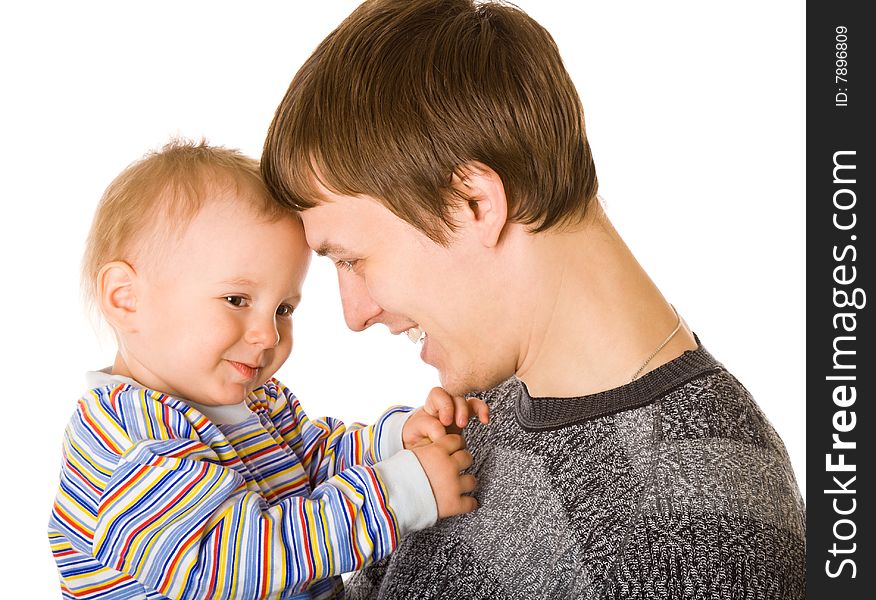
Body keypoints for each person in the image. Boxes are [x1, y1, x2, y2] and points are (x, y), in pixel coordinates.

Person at [261, 0, 807, 598]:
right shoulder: (485, 406)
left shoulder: (699, 526)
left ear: (474, 204)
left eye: (352, 260)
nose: (355, 314)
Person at [47, 139, 487, 599]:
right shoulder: (121, 439)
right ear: (126, 299)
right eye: (237, 300)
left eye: (283, 309)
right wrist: (399, 494)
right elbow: (232, 559)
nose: (268, 335)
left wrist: (397, 439)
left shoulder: (254, 400)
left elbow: (314, 462)